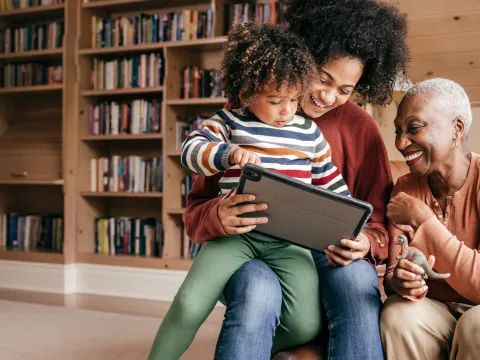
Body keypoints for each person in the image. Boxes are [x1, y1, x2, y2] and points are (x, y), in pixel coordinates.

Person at [182, 0, 410, 359]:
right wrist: (218, 215)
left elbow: (381, 220)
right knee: (258, 288)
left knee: (357, 280)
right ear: (303, 58)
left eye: (345, 90)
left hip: (327, 254)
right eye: (322, 78)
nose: (328, 96)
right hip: (251, 248)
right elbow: (195, 211)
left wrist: (366, 242)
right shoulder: (247, 111)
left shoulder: (360, 128)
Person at [147, 22, 352, 360]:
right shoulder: (229, 121)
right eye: (275, 100)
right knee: (188, 303)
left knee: (305, 324)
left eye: (292, 99)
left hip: (289, 241)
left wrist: (347, 223)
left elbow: (330, 184)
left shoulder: (310, 133)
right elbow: (191, 151)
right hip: (235, 236)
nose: (287, 110)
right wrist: (227, 153)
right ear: (246, 93)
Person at [381, 78, 480, 360]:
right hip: (435, 312)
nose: (401, 142)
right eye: (398, 131)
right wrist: (400, 281)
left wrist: (425, 221)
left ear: (456, 128)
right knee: (397, 314)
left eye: (413, 128)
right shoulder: (404, 188)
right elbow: (392, 276)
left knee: (476, 325)